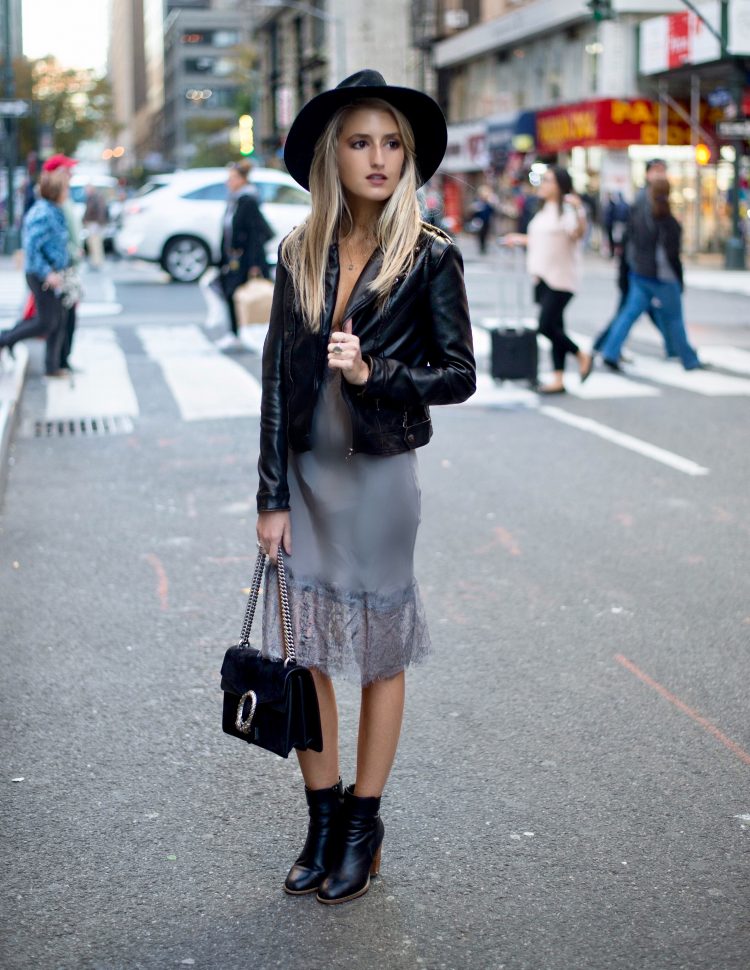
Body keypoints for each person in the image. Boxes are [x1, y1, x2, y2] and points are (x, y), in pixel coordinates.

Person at [255, 69, 475, 905]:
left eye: (391, 144)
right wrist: (271, 495)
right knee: (305, 649)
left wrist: (376, 370)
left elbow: (459, 375)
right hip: (307, 481)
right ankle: (320, 819)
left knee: (381, 655)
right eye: (360, 143)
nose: (378, 158)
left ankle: (363, 824)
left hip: (381, 477)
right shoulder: (298, 251)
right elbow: (277, 381)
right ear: (331, 157)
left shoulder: (430, 254)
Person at [503, 166, 593, 394]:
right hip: (542, 277)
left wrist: (579, 210)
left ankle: (581, 354)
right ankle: (559, 378)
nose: (543, 184)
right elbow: (540, 239)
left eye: (549, 181)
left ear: (561, 185)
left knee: (545, 326)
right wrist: (518, 239)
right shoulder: (544, 211)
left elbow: (578, 234)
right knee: (556, 326)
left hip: (561, 278)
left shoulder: (569, 211)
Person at [598, 178, 701, 372]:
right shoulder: (667, 222)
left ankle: (610, 351)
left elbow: (630, 245)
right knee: (675, 319)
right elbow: (671, 256)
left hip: (640, 274)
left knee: (628, 315)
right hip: (662, 277)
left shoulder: (639, 216)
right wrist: (679, 279)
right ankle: (688, 359)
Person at [593, 159, 677, 358]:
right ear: (647, 174)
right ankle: (606, 348)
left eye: (662, 171)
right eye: (655, 171)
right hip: (640, 269)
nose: (659, 175)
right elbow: (640, 237)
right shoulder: (644, 200)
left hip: (643, 269)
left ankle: (606, 347)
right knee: (632, 312)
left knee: (643, 311)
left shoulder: (656, 198)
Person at [0, 168, 70, 376]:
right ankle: (4, 339)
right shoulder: (43, 213)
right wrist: (47, 272)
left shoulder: (53, 209)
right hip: (42, 274)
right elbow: (31, 248)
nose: (68, 192)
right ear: (56, 191)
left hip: (55, 273)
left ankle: (52, 366)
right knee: (46, 322)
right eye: (65, 188)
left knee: (57, 319)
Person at [216, 160, 273, 351]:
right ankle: (236, 333)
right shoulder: (235, 200)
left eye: (231, 178)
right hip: (234, 258)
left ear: (242, 179)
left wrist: (254, 263)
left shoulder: (247, 200)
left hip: (246, 259)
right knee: (231, 292)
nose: (228, 182)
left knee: (240, 294)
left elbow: (258, 233)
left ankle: (242, 333)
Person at [82, 184, 108, 270]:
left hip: (95, 223)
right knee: (92, 242)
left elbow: (101, 210)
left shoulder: (96, 197)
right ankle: (95, 261)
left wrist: (100, 222)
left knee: (96, 242)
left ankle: (97, 261)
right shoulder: (91, 197)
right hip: (92, 223)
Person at [470, 184, 496, 254]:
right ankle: (481, 247)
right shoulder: (477, 200)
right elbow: (472, 211)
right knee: (480, 235)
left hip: (486, 220)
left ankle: (484, 247)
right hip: (479, 221)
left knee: (485, 234)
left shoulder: (489, 202)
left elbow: (492, 211)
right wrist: (475, 209)